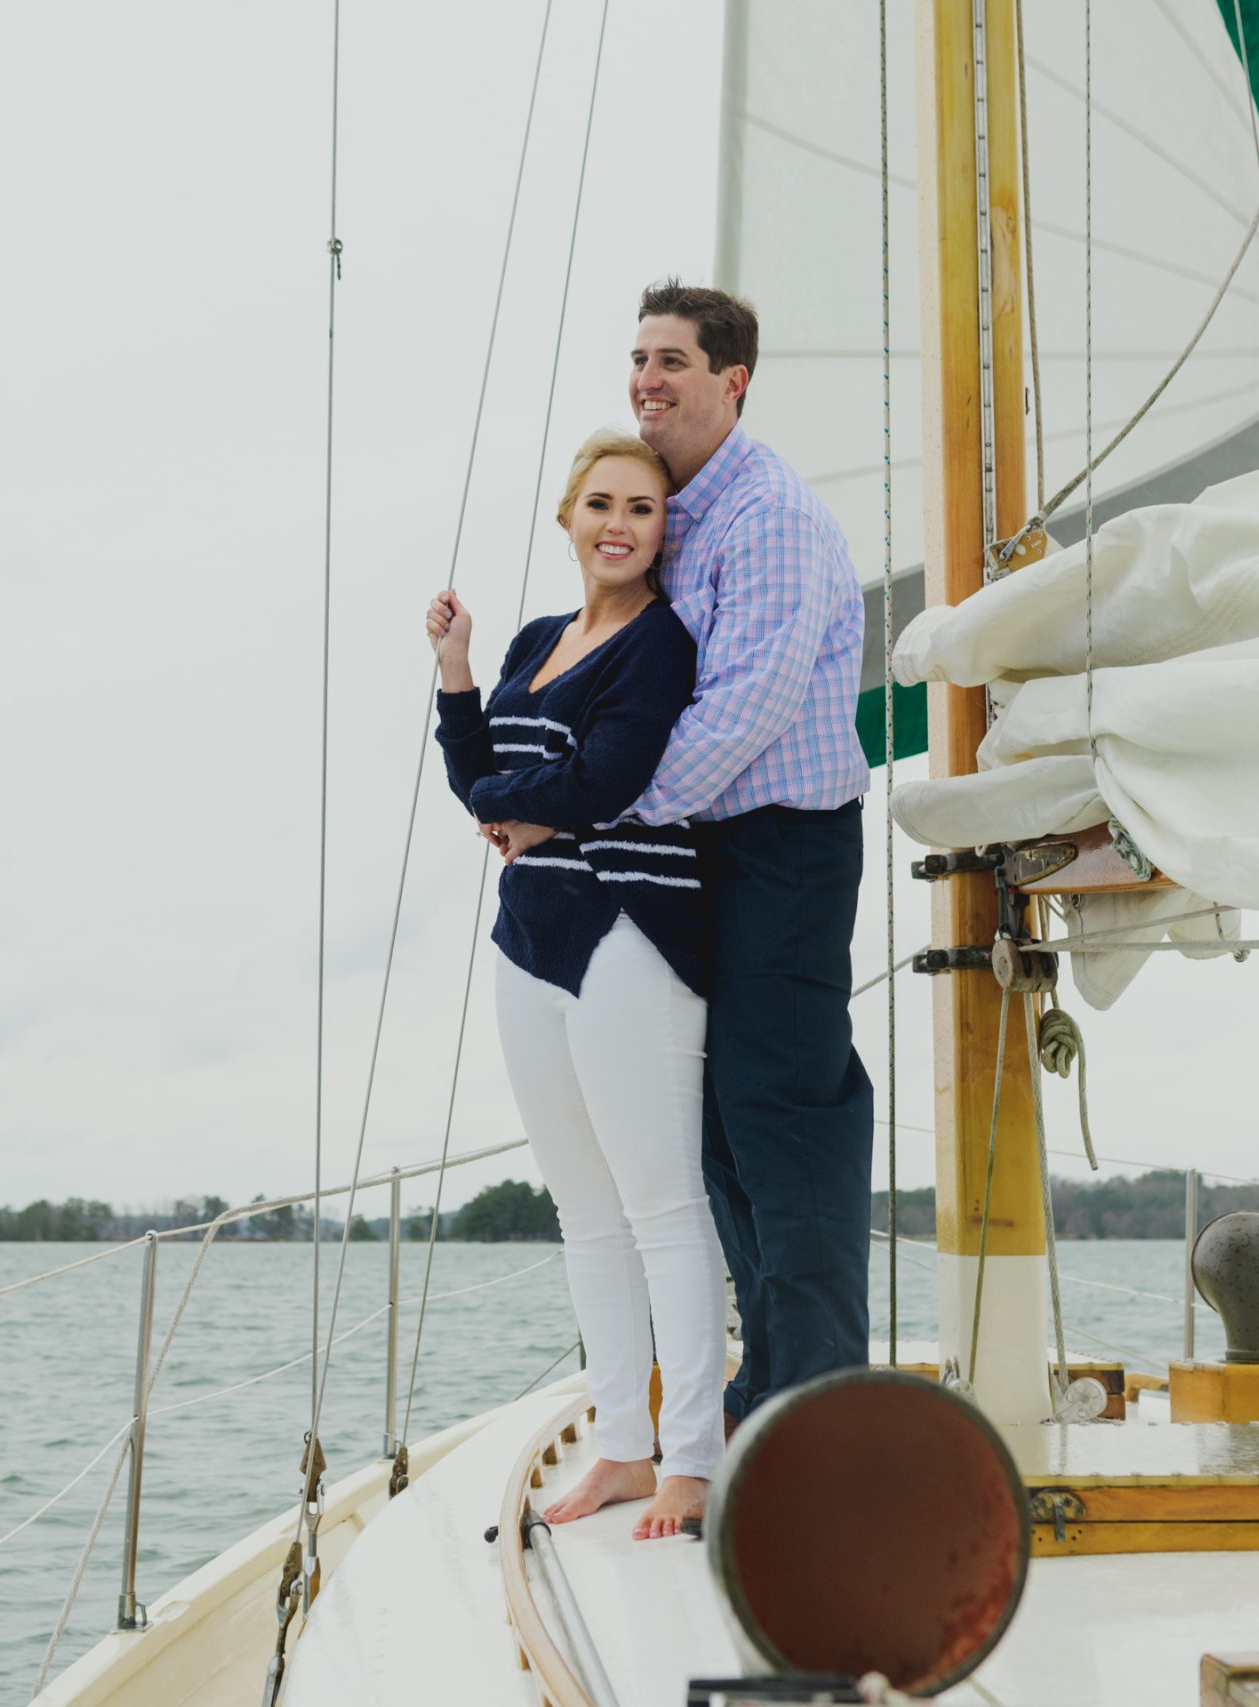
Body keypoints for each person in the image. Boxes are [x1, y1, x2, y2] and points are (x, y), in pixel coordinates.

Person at [425, 427, 725, 1539]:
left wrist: (537, 801)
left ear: (661, 532)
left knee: (659, 1205)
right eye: (601, 504)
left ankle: (690, 1457)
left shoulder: (662, 643)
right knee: (584, 1215)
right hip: (528, 937)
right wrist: (458, 671)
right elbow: (474, 779)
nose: (619, 523)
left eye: (642, 509)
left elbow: (610, 777)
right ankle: (620, 1448)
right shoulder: (539, 641)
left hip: (628, 932)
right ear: (567, 518)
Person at [626, 281, 874, 1431]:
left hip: (783, 845)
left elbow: (746, 706)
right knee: (723, 1120)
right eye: (637, 361)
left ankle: (816, 1393)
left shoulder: (766, 514)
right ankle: (768, 1375)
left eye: (671, 361)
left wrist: (616, 814)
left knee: (783, 1109)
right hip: (712, 849)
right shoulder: (682, 518)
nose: (646, 381)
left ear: (732, 381)